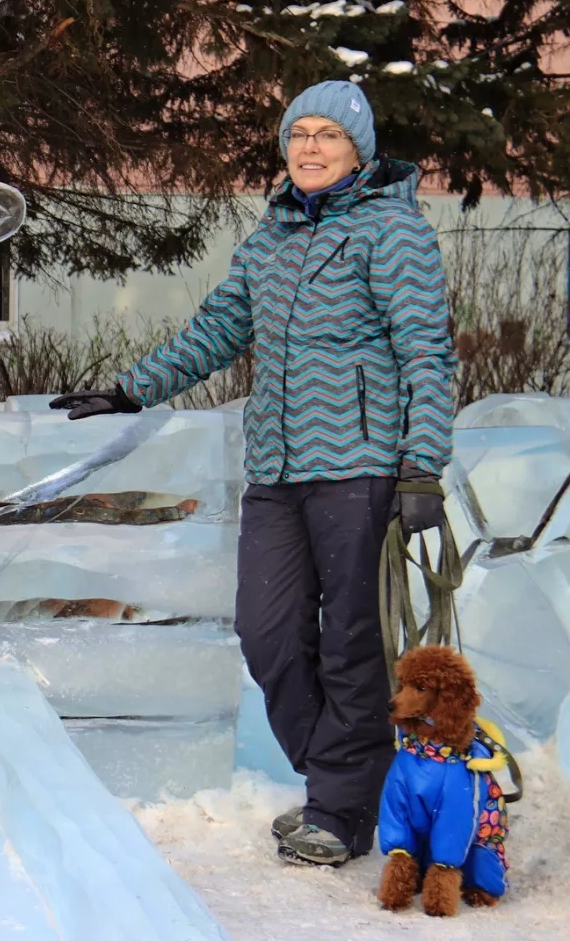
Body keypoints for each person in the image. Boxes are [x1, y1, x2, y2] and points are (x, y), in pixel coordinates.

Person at [51, 80, 456, 867]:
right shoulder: (273, 231)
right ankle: (349, 779)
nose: (308, 148)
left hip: (362, 464)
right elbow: (221, 326)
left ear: (358, 151)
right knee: (266, 634)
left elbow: (428, 354)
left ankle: (339, 809)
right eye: (297, 134)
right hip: (276, 464)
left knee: (350, 642)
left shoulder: (393, 232)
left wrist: (422, 468)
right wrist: (135, 386)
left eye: (327, 137)